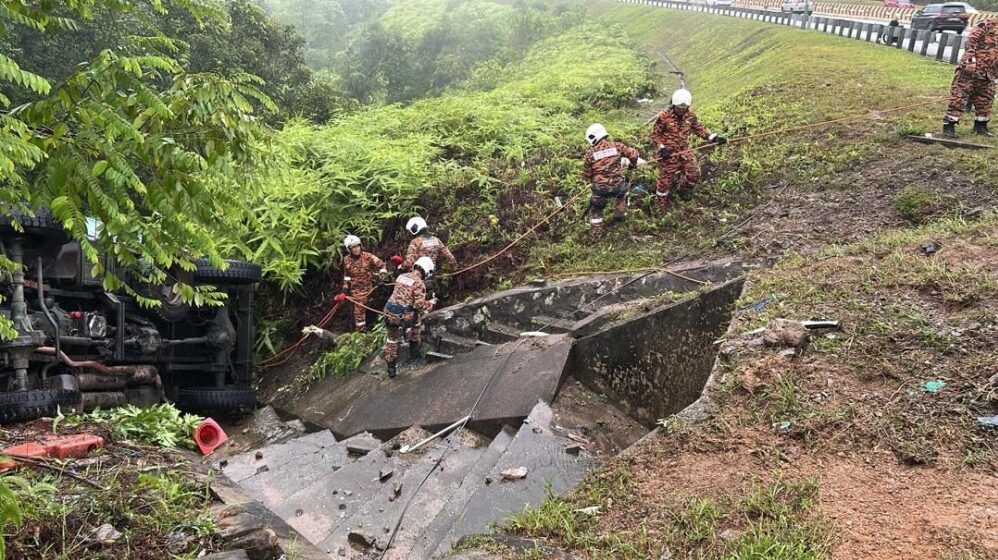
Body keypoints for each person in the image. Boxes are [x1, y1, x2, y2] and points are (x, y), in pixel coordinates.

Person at [650, 88, 727, 209]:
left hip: (684, 152)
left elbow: (700, 129)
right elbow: (655, 134)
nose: (681, 110)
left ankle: (683, 189)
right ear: (674, 105)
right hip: (668, 154)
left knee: (694, 173)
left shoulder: (690, 116)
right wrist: (662, 148)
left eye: (683, 108)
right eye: (679, 108)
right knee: (664, 182)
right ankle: (660, 202)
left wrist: (714, 138)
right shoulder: (664, 117)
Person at [581, 123, 647, 236]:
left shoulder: (590, 154)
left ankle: (596, 233)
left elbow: (587, 174)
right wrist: (632, 165)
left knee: (596, 210)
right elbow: (634, 155)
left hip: (600, 190)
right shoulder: (617, 146)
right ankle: (619, 214)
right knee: (623, 194)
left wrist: (592, 180)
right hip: (618, 186)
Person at [382, 256, 437, 379]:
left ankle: (391, 369)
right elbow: (419, 305)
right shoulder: (419, 283)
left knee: (392, 339)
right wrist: (431, 303)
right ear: (427, 271)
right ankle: (414, 346)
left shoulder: (401, 276)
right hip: (404, 316)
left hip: (389, 311)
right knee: (417, 318)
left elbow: (402, 296)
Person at [943, 20, 998, 137]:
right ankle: (949, 126)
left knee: (986, 100)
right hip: (970, 71)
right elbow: (970, 43)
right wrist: (970, 61)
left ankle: (980, 127)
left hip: (988, 74)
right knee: (958, 98)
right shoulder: (986, 25)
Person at [339, 235, 386, 332]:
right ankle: (361, 336)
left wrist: (382, 279)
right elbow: (347, 276)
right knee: (359, 318)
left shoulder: (368, 257)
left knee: (376, 312)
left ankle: (377, 330)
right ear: (349, 249)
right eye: (353, 247)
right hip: (357, 295)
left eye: (357, 246)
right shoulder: (346, 261)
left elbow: (382, 266)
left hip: (371, 291)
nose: (356, 249)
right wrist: (344, 289)